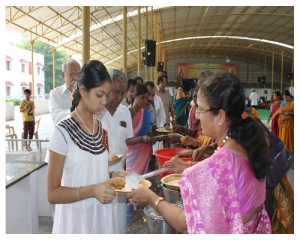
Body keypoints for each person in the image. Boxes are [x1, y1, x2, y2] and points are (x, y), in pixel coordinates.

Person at [128, 72, 271, 233]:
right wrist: (187, 166)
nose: (196, 115)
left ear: (221, 117)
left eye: (201, 110)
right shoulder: (244, 143)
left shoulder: (222, 161)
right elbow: (229, 175)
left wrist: (150, 198)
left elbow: (185, 222)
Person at [46, 60, 126, 234]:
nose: (104, 101)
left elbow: (91, 170)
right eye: (99, 95)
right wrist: (92, 191)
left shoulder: (101, 129)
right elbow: (52, 193)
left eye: (106, 95)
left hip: (101, 215)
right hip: (75, 219)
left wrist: (112, 175)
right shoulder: (62, 132)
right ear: (82, 91)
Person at [97, 69, 134, 234]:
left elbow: (126, 145)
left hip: (118, 179)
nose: (119, 97)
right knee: (101, 223)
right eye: (115, 92)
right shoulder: (95, 113)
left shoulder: (125, 113)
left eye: (122, 93)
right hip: (98, 179)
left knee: (117, 223)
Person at [126, 84, 155, 174]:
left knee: (143, 182)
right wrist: (142, 139)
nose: (145, 101)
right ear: (135, 96)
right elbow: (126, 140)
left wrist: (151, 137)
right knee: (131, 181)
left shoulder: (146, 114)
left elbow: (147, 132)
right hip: (131, 154)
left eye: (146, 98)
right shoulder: (126, 113)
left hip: (144, 153)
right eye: (142, 98)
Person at [48, 58, 81, 124]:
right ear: (63, 75)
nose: (75, 78)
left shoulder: (85, 92)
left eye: (77, 74)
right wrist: (78, 111)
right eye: (71, 74)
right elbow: (56, 116)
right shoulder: (55, 93)